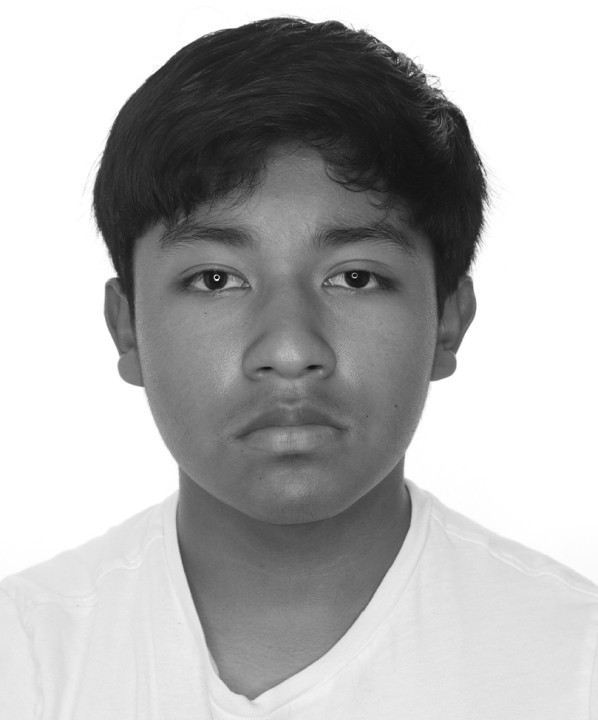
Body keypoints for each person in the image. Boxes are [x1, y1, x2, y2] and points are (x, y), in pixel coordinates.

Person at [1, 15, 596, 719]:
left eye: (355, 278)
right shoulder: (24, 658)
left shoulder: (575, 665)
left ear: (447, 320)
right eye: (217, 280)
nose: (289, 350)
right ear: (126, 327)